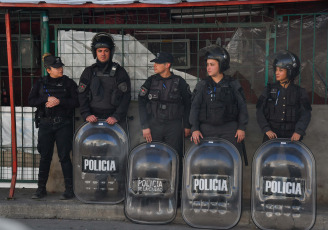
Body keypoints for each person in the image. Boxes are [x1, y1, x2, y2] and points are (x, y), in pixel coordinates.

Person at [28, 53, 79, 199]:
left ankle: (69, 190)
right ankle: (40, 189)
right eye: (56, 67)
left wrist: (59, 101)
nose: (60, 69)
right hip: (45, 124)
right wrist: (46, 99)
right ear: (48, 69)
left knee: (64, 157)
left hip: (63, 124)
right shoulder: (40, 82)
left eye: (61, 66)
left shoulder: (68, 83)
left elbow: (77, 102)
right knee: (45, 157)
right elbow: (31, 101)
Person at [189, 45, 248, 153]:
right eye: (207, 64)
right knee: (207, 163)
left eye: (212, 64)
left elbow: (242, 106)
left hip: (229, 130)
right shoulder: (202, 85)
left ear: (221, 65)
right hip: (206, 130)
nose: (208, 68)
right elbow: (195, 108)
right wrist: (195, 129)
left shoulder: (233, 84)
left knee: (231, 161)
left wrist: (241, 127)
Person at [138, 52, 191, 155]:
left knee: (175, 157)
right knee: (153, 159)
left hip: (174, 127)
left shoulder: (180, 82)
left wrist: (187, 125)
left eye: (158, 63)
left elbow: (188, 104)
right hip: (154, 125)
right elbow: (141, 103)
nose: (155, 65)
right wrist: (145, 126)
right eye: (155, 63)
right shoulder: (150, 81)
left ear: (167, 65)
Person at [78, 32, 131, 130]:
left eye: (106, 50)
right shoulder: (89, 72)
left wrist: (116, 116)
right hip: (93, 119)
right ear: (95, 52)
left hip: (114, 120)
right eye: (100, 51)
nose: (103, 54)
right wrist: (86, 114)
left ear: (111, 52)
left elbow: (126, 97)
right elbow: (82, 95)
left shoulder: (120, 72)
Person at [256, 50, 312, 142]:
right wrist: (266, 129)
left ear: (290, 71)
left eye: (281, 70)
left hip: (292, 135)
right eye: (276, 70)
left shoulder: (300, 92)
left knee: (294, 156)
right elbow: (259, 111)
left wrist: (299, 131)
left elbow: (306, 114)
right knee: (267, 156)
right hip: (272, 134)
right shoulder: (269, 90)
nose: (277, 73)